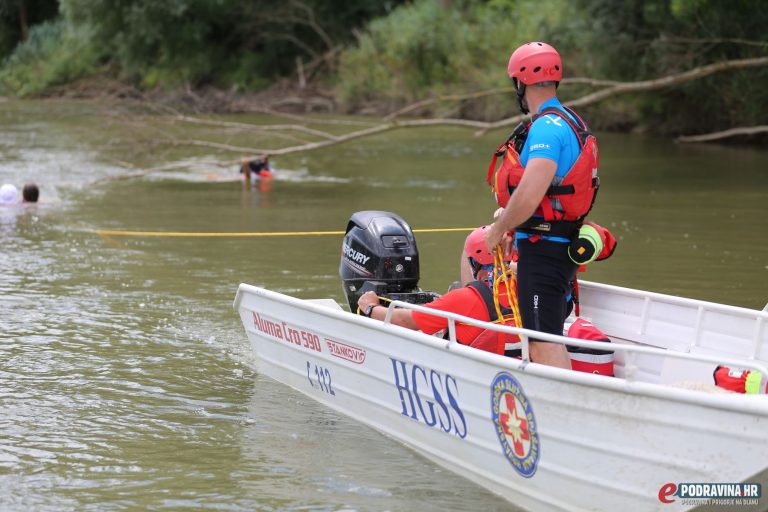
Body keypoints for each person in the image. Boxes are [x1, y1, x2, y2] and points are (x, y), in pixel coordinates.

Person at [484, 41, 601, 370]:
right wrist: (512, 220)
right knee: (543, 336)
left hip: (545, 250)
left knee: (541, 342)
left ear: (520, 83)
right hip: (555, 243)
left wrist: (498, 229)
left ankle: (564, 415)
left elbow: (531, 191)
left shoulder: (546, 130)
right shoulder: (568, 120)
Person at [358, 226, 520, 355]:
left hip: (472, 376)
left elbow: (405, 321)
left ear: (477, 265)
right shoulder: (528, 290)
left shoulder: (464, 299)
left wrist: (371, 308)